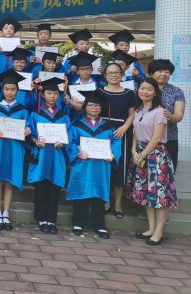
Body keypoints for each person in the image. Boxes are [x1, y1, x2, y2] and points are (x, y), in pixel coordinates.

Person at [126, 78, 178, 246]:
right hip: (140, 153)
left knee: (160, 195)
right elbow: (136, 132)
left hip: (157, 156)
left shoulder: (160, 111)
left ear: (155, 93)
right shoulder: (139, 109)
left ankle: (159, 232)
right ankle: (151, 228)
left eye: (149, 89)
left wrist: (142, 155)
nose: (145, 92)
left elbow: (156, 138)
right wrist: (134, 150)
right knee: (146, 192)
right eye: (142, 88)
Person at [67, 91, 121, 239]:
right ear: (85, 107)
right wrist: (76, 152)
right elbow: (71, 141)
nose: (94, 108)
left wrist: (112, 154)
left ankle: (99, 224)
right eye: (91, 105)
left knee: (99, 192)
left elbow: (116, 142)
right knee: (81, 191)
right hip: (82, 164)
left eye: (97, 105)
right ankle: (78, 222)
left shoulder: (108, 127)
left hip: (100, 166)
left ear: (101, 108)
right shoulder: (76, 125)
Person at [27, 77, 76, 235]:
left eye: (55, 93)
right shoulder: (35, 114)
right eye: (49, 93)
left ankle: (51, 220)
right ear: (43, 95)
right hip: (41, 155)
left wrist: (63, 142)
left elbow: (69, 134)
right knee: (41, 186)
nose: (52, 96)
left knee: (54, 187)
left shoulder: (63, 115)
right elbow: (30, 132)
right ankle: (41, 219)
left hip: (56, 155)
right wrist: (34, 141)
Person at [0, 69, 31, 231]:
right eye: (6, 89)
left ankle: (6, 213)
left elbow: (28, 128)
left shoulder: (23, 110)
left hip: (15, 149)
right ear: (2, 90)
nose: (9, 92)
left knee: (10, 181)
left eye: (12, 89)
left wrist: (28, 131)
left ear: (17, 90)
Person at [97, 61, 135, 218]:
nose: (113, 75)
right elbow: (89, 109)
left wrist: (125, 127)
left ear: (122, 75)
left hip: (121, 133)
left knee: (120, 169)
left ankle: (118, 203)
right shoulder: (98, 91)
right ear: (105, 75)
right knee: (104, 167)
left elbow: (132, 114)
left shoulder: (129, 93)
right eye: (110, 73)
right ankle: (106, 201)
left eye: (116, 72)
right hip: (102, 133)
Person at [147, 59, 185, 173]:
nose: (163, 74)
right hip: (145, 137)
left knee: (167, 171)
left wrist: (171, 117)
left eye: (167, 72)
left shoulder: (176, 92)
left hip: (169, 138)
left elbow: (179, 115)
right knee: (145, 172)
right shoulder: (142, 89)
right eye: (160, 71)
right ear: (152, 73)